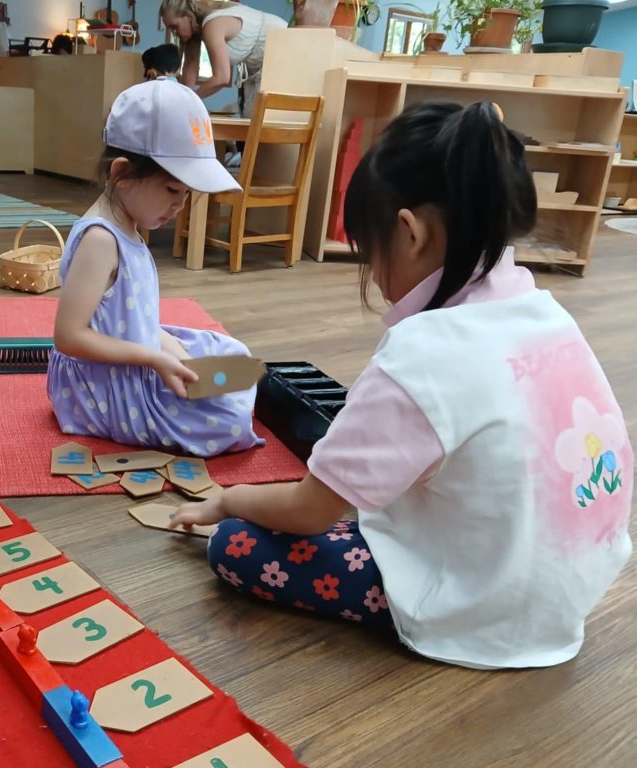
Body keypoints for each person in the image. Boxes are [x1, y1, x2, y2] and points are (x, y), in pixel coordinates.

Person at [170, 101, 632, 669]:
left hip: (486, 607)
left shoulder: (422, 354)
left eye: (368, 252)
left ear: (410, 233)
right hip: (574, 584)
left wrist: (227, 499)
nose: (372, 273)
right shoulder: (546, 312)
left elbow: (311, 510)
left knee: (236, 545)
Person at [47, 79, 264, 458]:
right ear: (122, 173)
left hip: (132, 350)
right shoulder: (101, 239)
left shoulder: (129, 223)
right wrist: (156, 358)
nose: (180, 206)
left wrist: (174, 352)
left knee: (233, 354)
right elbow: (69, 337)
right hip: (101, 387)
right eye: (171, 190)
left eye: (187, 194)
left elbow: (132, 318)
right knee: (229, 421)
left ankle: (198, 374)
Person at [159, 0, 288, 117]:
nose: (173, 32)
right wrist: (180, 101)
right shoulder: (195, 35)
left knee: (264, 123)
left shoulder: (212, 24)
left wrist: (189, 101)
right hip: (258, 64)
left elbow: (221, 77)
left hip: (282, 46)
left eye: (174, 27)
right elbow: (188, 82)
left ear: (189, 17)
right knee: (250, 118)